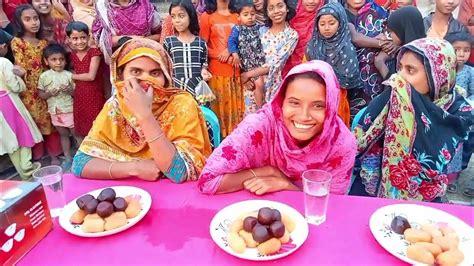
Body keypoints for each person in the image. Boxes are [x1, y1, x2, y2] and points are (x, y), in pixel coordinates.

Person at [198, 60, 356, 195]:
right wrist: (269, 172)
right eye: (294, 102)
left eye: (318, 106)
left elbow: (330, 207)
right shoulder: (259, 127)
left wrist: (286, 185)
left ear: (332, 107)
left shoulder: (340, 143)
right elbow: (208, 181)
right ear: (281, 101)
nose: (304, 116)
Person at [71, 38, 212, 183]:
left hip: (174, 194)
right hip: (129, 192)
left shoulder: (181, 104)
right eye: (136, 72)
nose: (145, 79)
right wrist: (135, 168)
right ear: (120, 75)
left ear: (166, 76)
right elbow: (80, 163)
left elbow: (179, 172)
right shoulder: (116, 106)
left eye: (155, 73)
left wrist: (144, 115)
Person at [350, 38, 473, 201]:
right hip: (372, 189)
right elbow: (359, 142)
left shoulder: (458, 112)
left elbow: (434, 161)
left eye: (410, 70)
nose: (399, 76)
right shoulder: (391, 98)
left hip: (426, 196)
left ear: (437, 75)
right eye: (399, 68)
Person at [11, 4, 62, 165]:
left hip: (44, 87)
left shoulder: (43, 43)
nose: (34, 22)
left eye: (35, 18)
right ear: (19, 22)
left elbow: (48, 65)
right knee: (34, 120)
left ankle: (55, 153)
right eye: (27, 19)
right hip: (28, 91)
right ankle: (39, 155)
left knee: (49, 118)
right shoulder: (17, 42)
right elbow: (20, 66)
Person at [306, 2, 362, 126]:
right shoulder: (312, 47)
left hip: (339, 101)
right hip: (314, 98)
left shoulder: (346, 49)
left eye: (331, 23)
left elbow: (350, 80)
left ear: (341, 23)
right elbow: (306, 72)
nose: (326, 28)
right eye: (322, 24)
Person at [200, 0, 244, 137]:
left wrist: (230, 51)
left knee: (237, 115)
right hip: (217, 74)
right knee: (218, 114)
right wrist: (220, 55)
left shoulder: (239, 15)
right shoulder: (207, 16)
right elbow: (202, 46)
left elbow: (246, 41)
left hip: (236, 73)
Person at [240, 0, 298, 103]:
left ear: (287, 8)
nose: (276, 11)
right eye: (271, 8)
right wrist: (245, 75)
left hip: (274, 86)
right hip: (252, 85)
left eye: (280, 6)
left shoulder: (291, 35)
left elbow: (275, 63)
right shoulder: (260, 30)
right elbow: (245, 52)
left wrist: (248, 74)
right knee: (252, 116)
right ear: (267, 12)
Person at [0, 57, 42, 180]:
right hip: (8, 102)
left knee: (9, 141)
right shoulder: (3, 61)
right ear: (2, 46)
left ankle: (23, 174)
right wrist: (21, 75)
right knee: (23, 132)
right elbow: (15, 87)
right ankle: (27, 168)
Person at [38, 43, 76, 170]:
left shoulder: (69, 75)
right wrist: (48, 93)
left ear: (65, 61)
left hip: (69, 110)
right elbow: (41, 94)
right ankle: (68, 157)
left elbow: (75, 93)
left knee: (76, 134)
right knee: (63, 134)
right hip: (55, 111)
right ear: (46, 61)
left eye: (61, 59)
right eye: (54, 60)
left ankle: (81, 157)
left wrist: (69, 90)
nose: (58, 62)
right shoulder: (44, 77)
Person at [164, 0, 212, 97]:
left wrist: (204, 71)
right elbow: (165, 66)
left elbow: (204, 63)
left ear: (191, 16)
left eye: (181, 16)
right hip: (176, 90)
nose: (177, 20)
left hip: (197, 89)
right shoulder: (169, 42)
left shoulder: (200, 43)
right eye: (173, 16)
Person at [66, 21, 106, 140]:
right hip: (79, 96)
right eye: (75, 39)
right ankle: (85, 154)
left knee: (97, 125)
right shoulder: (71, 56)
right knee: (82, 127)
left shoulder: (94, 53)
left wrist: (69, 75)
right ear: (69, 39)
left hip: (94, 95)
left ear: (89, 37)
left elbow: (91, 76)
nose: (79, 42)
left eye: (83, 37)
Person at [92, 0, 162, 64]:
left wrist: (141, 41)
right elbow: (100, 40)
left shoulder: (146, 5)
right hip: (118, 59)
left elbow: (160, 35)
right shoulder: (103, 7)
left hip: (145, 56)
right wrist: (130, 39)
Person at [227, 0, 266, 113]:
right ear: (238, 17)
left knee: (259, 85)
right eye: (246, 14)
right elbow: (231, 42)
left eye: (252, 14)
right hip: (246, 68)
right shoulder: (237, 29)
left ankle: (261, 109)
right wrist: (235, 54)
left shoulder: (260, 28)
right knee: (249, 93)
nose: (250, 17)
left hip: (259, 66)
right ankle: (257, 111)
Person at [374, 5, 426, 80]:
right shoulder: (425, 49)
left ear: (402, 31)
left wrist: (381, 65)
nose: (390, 36)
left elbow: (400, 89)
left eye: (390, 32)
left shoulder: (412, 59)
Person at [283, 0, 323, 77]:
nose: (311, 1)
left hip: (315, 73)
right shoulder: (290, 21)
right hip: (290, 71)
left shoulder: (324, 21)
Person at [445, 32, 473, 101]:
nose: (462, 54)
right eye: (456, 50)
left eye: (466, 50)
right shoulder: (440, 71)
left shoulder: (471, 72)